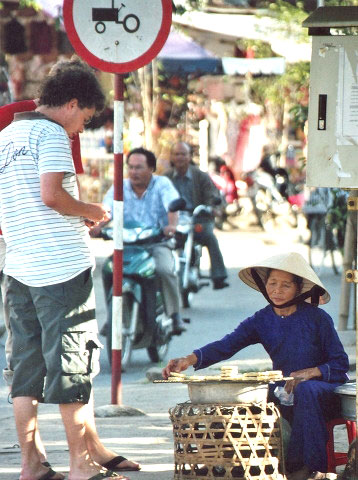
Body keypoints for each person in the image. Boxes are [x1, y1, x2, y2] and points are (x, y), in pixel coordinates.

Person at [0, 60, 140, 476]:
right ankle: (81, 465)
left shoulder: (6, 136)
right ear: (73, 103)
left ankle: (32, 464)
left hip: (19, 265)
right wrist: (92, 211)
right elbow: (52, 196)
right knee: (72, 365)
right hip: (61, 266)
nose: (82, 128)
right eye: (85, 118)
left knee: (25, 368)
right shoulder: (52, 132)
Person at [162, 252, 349, 480]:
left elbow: (340, 364)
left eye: (285, 285)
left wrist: (311, 373)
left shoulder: (318, 319)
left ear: (298, 289)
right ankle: (223, 461)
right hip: (284, 390)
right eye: (272, 283)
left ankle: (310, 468)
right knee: (242, 401)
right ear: (264, 285)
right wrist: (188, 359)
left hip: (323, 391)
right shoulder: (261, 320)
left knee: (305, 390)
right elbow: (227, 344)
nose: (277, 291)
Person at [91, 147, 187, 335]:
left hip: (157, 243)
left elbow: (172, 206)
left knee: (164, 269)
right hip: (128, 245)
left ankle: (175, 315)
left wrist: (171, 226)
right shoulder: (120, 186)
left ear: (151, 168)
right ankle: (112, 318)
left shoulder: (162, 184)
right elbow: (107, 210)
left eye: (139, 167)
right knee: (108, 270)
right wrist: (98, 226)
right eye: (131, 167)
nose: (134, 172)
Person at [166, 142, 229, 290]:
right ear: (172, 157)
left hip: (196, 219)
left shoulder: (200, 176)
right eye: (177, 154)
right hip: (172, 220)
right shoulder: (165, 178)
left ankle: (218, 276)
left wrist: (212, 207)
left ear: (189, 157)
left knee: (209, 236)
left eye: (183, 154)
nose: (180, 157)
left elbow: (212, 195)